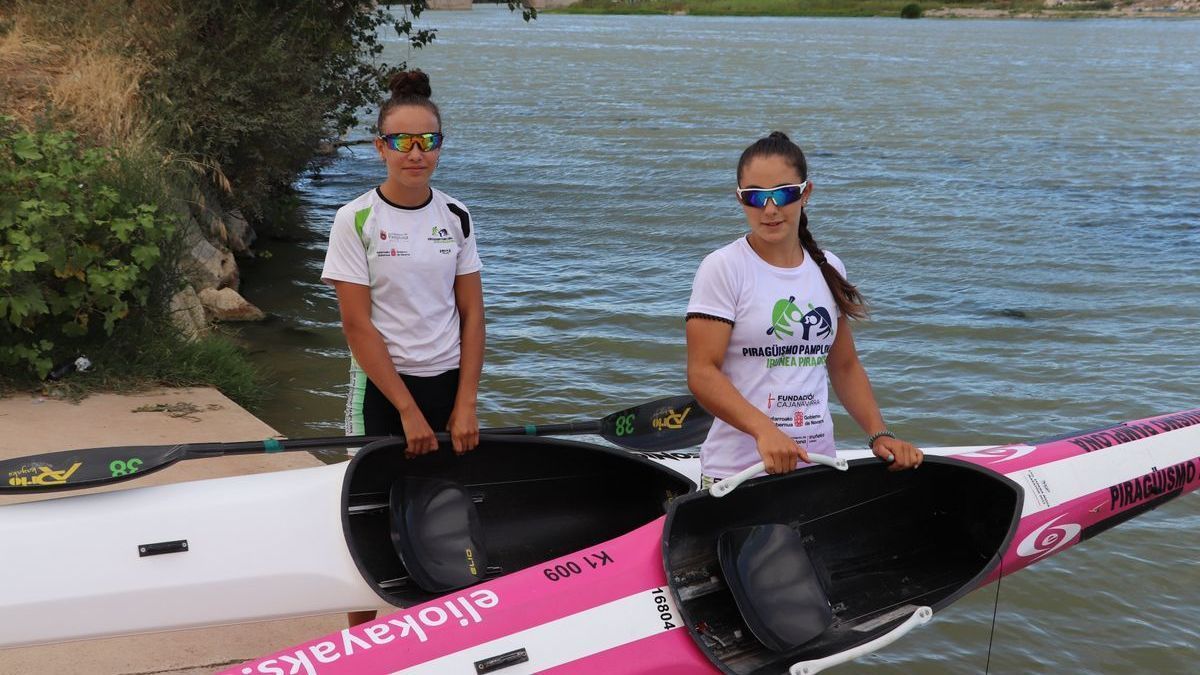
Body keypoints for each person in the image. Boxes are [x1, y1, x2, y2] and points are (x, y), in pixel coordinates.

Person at [321, 70, 485, 626]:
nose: (415, 154)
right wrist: (408, 411)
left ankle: (433, 627)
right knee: (365, 516)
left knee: (442, 511)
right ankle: (363, 642)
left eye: (428, 141)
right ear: (380, 147)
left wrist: (466, 403)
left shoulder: (457, 216)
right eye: (402, 142)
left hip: (447, 384)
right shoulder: (354, 220)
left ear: (439, 147)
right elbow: (356, 325)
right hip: (382, 391)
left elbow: (472, 314)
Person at [685, 131, 921, 487]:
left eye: (783, 193)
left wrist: (878, 434)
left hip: (816, 466)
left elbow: (844, 366)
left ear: (805, 193)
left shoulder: (829, 268)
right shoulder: (723, 268)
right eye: (755, 197)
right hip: (737, 474)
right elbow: (702, 373)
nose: (770, 209)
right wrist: (764, 430)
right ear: (740, 199)